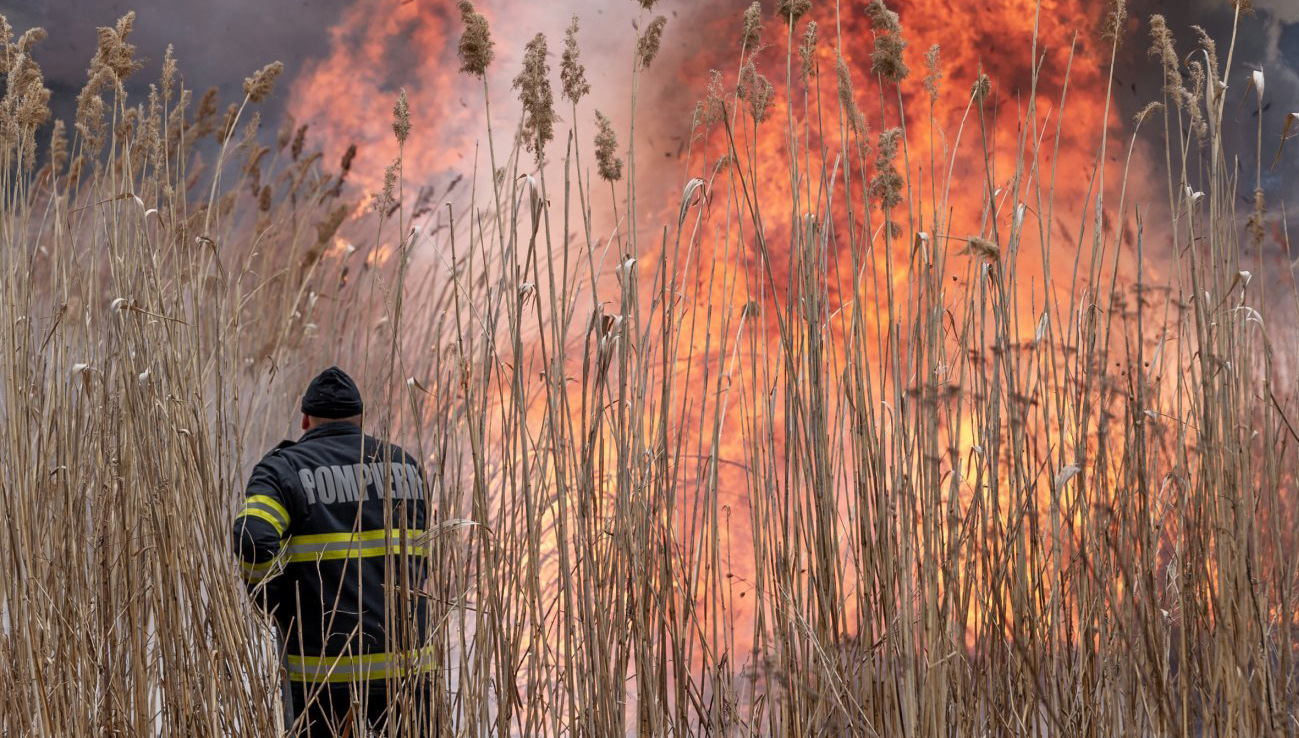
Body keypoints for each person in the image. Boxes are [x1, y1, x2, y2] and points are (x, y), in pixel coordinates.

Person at [233, 367, 432, 736]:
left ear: (305, 420)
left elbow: (253, 537)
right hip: (409, 669)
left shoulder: (283, 470)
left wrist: (271, 599)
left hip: (324, 674)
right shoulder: (406, 467)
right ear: (360, 420)